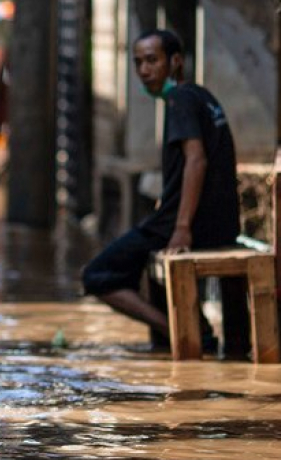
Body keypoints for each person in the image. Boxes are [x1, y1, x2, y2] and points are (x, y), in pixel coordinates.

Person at [81, 29, 249, 356]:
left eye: (152, 60)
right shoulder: (202, 96)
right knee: (140, 257)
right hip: (222, 223)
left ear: (175, 62)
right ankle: (182, 334)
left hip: (190, 224)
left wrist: (182, 227)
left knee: (96, 275)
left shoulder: (179, 100)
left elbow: (196, 160)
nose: (144, 70)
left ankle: (182, 327)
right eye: (138, 62)